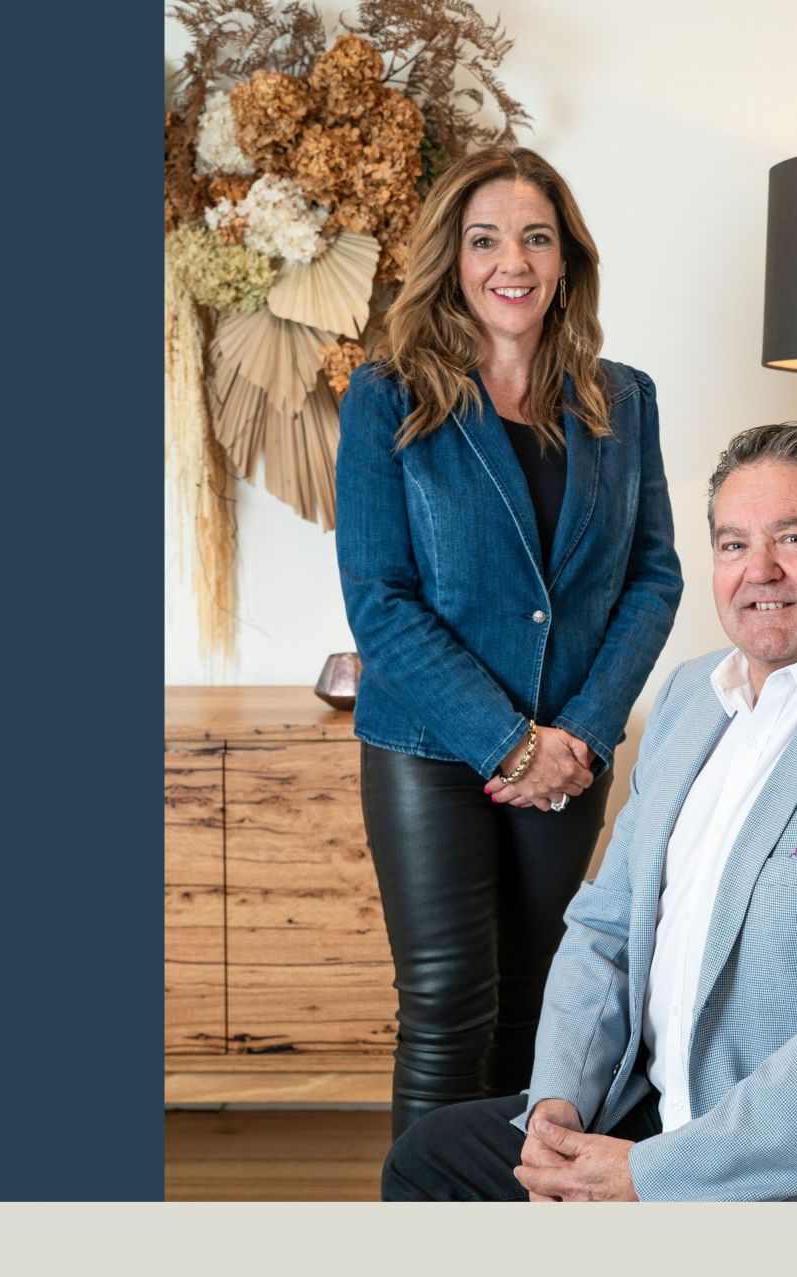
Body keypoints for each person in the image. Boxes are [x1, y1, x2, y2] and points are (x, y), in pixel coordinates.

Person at [380, 422, 797, 1201]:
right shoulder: (691, 698)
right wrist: (558, 1108)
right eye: (734, 544)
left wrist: (646, 1177)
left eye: (793, 538)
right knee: (430, 1160)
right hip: (669, 1118)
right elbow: (607, 929)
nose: (759, 570)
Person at [334, 148, 683, 1140]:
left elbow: (654, 575)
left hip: (570, 751)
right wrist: (510, 742)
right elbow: (380, 600)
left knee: (542, 1006)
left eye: (536, 237)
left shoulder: (625, 399)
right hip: (429, 745)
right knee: (448, 1008)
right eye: (485, 239)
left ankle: (509, 1209)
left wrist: (582, 732)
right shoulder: (388, 394)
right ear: (453, 259)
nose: (511, 262)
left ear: (567, 260)